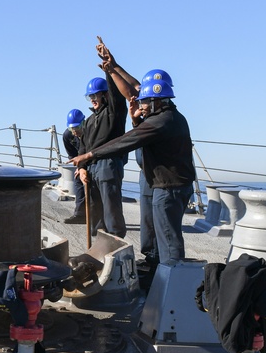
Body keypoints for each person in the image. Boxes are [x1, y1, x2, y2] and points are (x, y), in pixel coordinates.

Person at [70, 78, 195, 267]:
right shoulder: (163, 118)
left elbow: (128, 140)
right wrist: (83, 165)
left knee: (168, 241)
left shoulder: (162, 120)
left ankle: (172, 284)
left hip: (169, 187)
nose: (140, 105)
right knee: (156, 233)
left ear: (156, 101)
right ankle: (156, 269)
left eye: (144, 101)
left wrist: (90, 154)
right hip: (162, 184)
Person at [74, 38, 138, 238]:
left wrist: (108, 69)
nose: (92, 100)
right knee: (95, 211)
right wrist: (81, 168)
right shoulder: (91, 120)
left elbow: (117, 95)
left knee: (111, 211)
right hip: (92, 167)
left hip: (109, 165)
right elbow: (83, 145)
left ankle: (116, 245)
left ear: (104, 96)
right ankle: (98, 248)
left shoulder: (114, 112)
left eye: (96, 96)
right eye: (89, 97)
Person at [62, 109, 86, 224]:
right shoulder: (67, 136)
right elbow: (72, 155)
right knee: (78, 180)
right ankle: (80, 214)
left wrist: (84, 168)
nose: (74, 131)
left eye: (77, 128)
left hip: (95, 160)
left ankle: (100, 216)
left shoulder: (91, 131)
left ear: (83, 124)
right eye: (72, 129)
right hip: (81, 162)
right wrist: (80, 168)